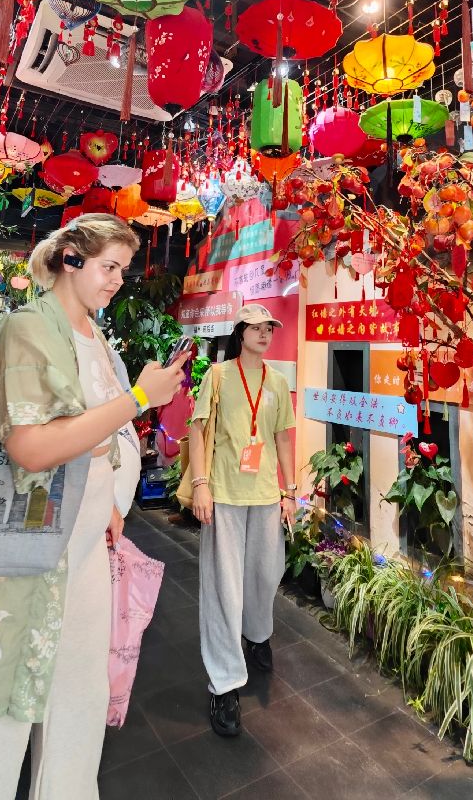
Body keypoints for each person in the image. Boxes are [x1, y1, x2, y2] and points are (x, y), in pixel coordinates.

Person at [0, 214, 186, 800]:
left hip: (86, 546)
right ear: (70, 260)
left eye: (124, 270)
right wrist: (137, 398)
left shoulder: (96, 337)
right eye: (109, 267)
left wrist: (110, 495)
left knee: (78, 699)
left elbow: (97, 437)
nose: (117, 281)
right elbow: (29, 447)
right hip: (19, 551)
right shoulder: (25, 329)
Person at [187, 304, 298, 738]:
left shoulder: (278, 381)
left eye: (269, 327)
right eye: (255, 327)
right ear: (240, 332)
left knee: (265, 574)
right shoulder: (218, 376)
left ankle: (256, 633)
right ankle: (225, 683)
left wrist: (290, 491)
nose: (264, 333)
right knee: (224, 588)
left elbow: (282, 438)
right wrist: (201, 484)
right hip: (225, 495)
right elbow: (199, 430)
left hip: (266, 494)